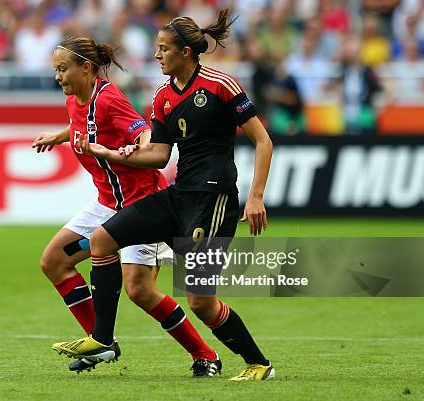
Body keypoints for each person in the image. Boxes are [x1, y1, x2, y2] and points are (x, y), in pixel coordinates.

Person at [52, 10, 275, 381]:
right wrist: (110, 152)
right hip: (178, 195)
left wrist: (256, 197)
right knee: (103, 240)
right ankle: (102, 338)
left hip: (214, 201)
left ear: (185, 53)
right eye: (156, 48)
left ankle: (259, 364)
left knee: (200, 301)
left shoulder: (221, 84)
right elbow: (158, 155)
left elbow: (263, 140)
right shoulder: (163, 96)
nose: (157, 55)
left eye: (163, 49)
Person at [33, 36, 221, 376]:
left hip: (142, 205)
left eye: (63, 69)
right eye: (56, 70)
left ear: (86, 68)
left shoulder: (110, 99)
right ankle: (101, 342)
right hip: (107, 204)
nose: (57, 77)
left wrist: (142, 144)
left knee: (140, 290)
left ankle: (205, 355)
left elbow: (144, 133)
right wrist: (58, 137)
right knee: (54, 261)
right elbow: (81, 125)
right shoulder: (76, 98)